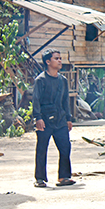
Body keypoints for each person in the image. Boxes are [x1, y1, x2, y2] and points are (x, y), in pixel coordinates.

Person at [32, 48, 75, 188]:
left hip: (60, 118)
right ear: (48, 62)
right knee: (42, 149)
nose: (60, 61)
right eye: (56, 58)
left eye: (60, 58)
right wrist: (38, 117)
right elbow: (36, 100)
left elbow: (65, 101)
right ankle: (40, 178)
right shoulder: (41, 80)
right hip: (44, 119)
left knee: (65, 147)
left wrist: (68, 118)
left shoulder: (63, 80)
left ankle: (64, 177)